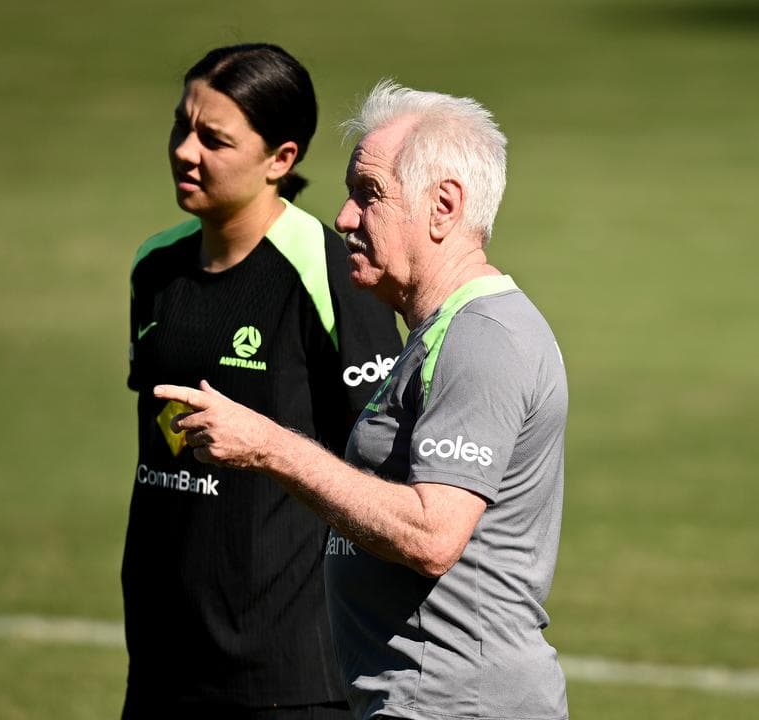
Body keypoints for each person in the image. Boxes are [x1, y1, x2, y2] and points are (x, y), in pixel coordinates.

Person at [156, 80, 570, 720]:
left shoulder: (484, 341)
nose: (345, 218)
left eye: (368, 195)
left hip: (457, 706)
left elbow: (433, 534)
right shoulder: (439, 335)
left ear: (443, 206)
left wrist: (270, 447)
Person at [123, 46, 403, 719]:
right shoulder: (154, 269)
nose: (186, 151)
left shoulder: (329, 273)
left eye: (214, 139)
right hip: (162, 660)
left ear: (281, 158)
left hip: (291, 676)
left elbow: (382, 468)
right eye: (181, 127)